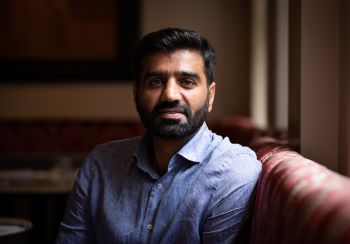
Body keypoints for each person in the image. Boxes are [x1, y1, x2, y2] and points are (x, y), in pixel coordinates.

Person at [56, 28, 261, 243]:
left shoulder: (233, 172)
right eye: (155, 81)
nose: (170, 95)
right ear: (136, 94)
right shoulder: (100, 164)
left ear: (210, 96)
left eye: (187, 82)